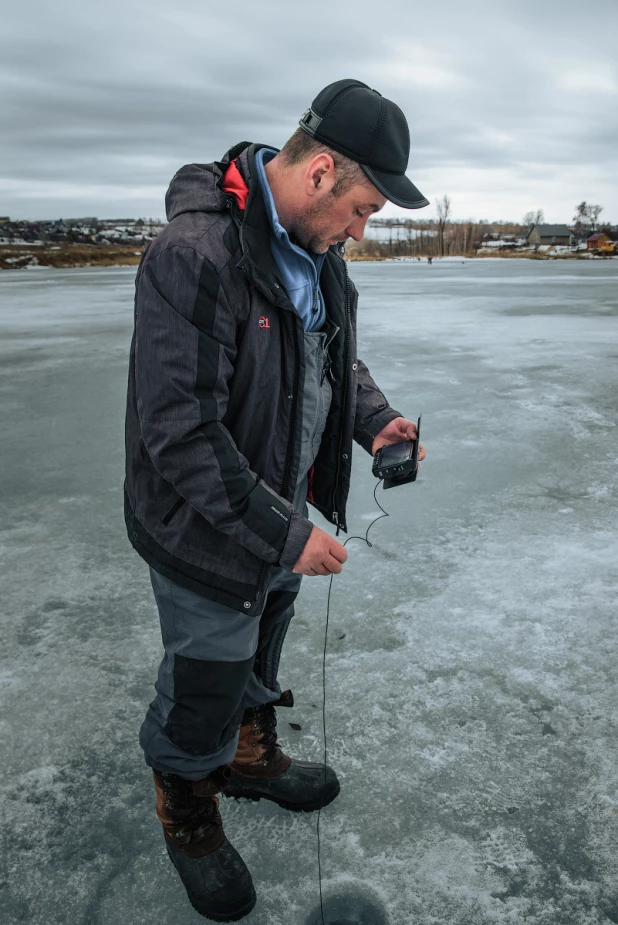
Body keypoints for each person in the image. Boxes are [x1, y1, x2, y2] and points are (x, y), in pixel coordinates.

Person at [124, 78, 427, 921]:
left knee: (261, 642)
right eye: (363, 208)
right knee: (206, 673)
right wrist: (286, 534)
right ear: (322, 171)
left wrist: (378, 426)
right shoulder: (195, 255)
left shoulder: (320, 260)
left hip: (279, 511)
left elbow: (334, 366)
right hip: (205, 526)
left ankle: (250, 755)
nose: (362, 232)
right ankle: (186, 810)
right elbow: (177, 431)